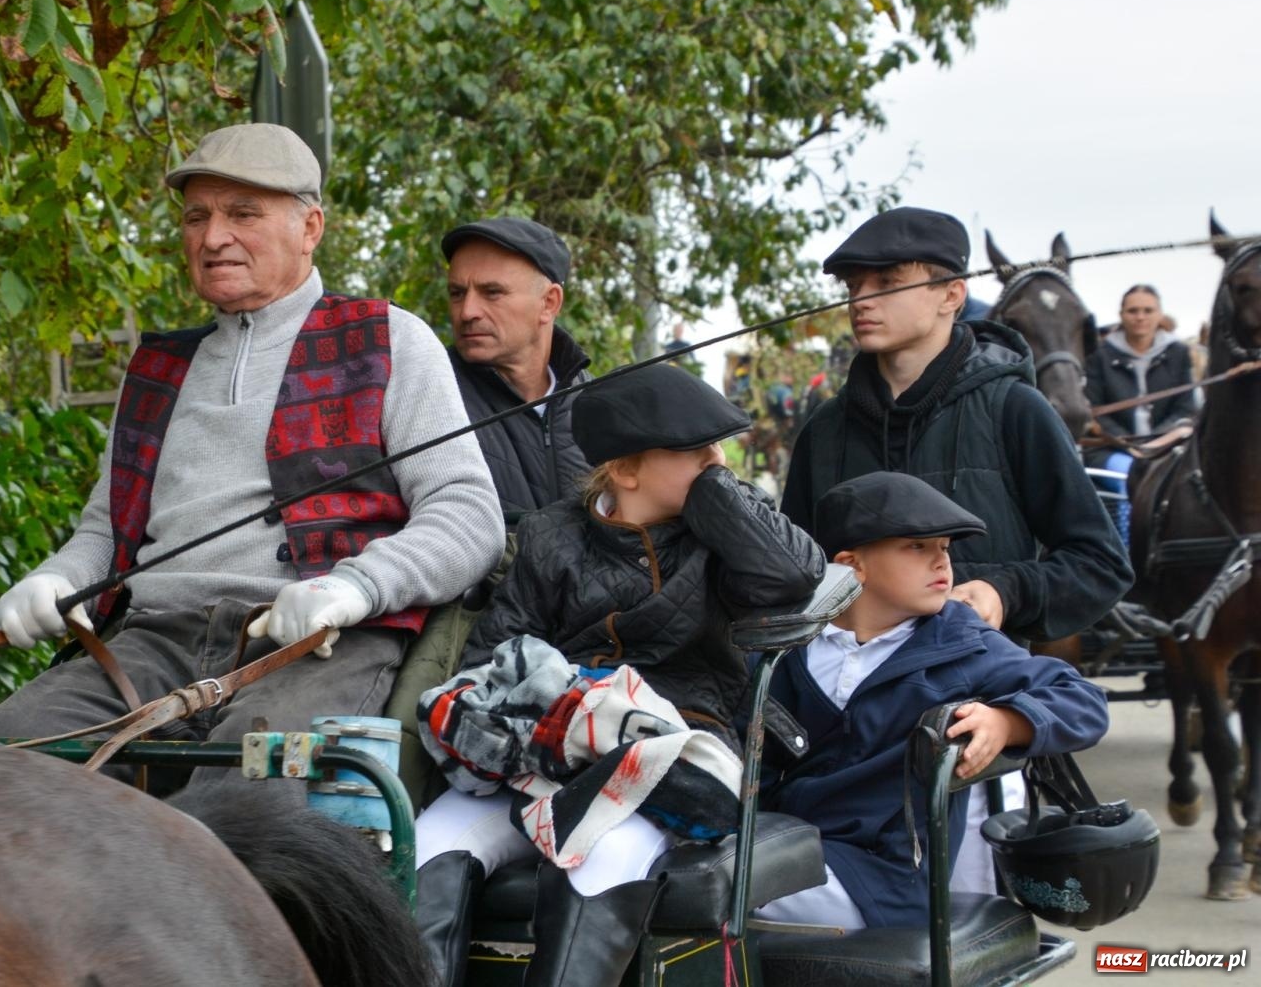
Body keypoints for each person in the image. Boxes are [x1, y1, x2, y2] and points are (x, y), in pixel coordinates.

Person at [0, 124, 505, 812]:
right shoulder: (158, 368)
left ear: (310, 226)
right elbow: (107, 534)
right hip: (152, 641)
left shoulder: (389, 339)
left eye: (242, 214)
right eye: (197, 216)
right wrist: (57, 580)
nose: (213, 236)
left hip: (319, 644)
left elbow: (468, 515)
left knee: (238, 817)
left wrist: (353, 588)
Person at [413, 365, 825, 987]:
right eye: (696, 452)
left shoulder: (729, 536)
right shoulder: (554, 536)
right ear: (627, 471)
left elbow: (796, 577)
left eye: (720, 449)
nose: (718, 462)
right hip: (551, 752)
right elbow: (494, 659)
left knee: (600, 856)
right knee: (430, 846)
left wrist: (715, 491)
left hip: (669, 756)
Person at [780, 206, 1130, 893]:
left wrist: (1004, 592)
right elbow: (794, 579)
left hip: (969, 739)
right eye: (853, 283)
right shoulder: (822, 433)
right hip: (841, 758)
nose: (861, 299)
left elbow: (1098, 562)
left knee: (957, 936)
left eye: (886, 281)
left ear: (951, 295)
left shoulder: (1015, 410)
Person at [755, 472, 1110, 930]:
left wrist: (1007, 721)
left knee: (718, 897)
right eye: (917, 548)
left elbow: (1083, 701)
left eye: (944, 548)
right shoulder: (786, 646)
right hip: (787, 844)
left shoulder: (963, 644)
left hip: (889, 878)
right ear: (852, 564)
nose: (942, 562)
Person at [443, 216, 594, 522]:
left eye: (492, 292)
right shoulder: (429, 396)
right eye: (457, 293)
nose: (468, 311)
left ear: (549, 303)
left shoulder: (600, 408)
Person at [1085, 284, 1198, 545]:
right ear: (1122, 314)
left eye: (1148, 310)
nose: (1140, 316)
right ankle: (1129, 555)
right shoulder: (1100, 355)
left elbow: (1185, 408)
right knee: (1129, 481)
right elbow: (1094, 411)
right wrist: (1129, 444)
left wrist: (1159, 442)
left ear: (1159, 315)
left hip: (1170, 446)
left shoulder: (1179, 353)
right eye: (1133, 310)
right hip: (1112, 449)